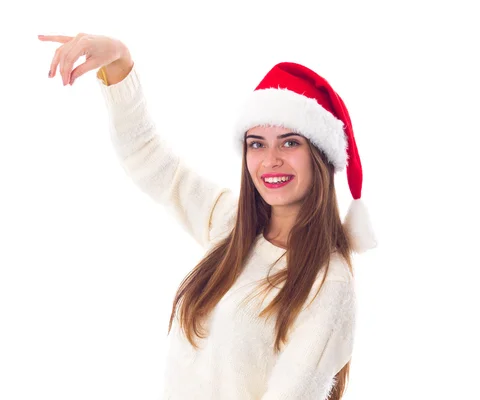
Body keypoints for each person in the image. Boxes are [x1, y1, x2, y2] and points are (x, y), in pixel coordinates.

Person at [38, 32, 377, 400]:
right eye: (256, 144)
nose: (270, 160)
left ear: (320, 154)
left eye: (290, 142)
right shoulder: (233, 224)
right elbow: (152, 161)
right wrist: (119, 62)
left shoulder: (330, 284)